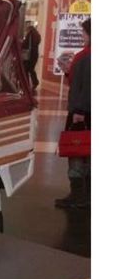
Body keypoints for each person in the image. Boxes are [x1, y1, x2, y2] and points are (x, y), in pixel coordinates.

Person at [55, 18, 91, 209]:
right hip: (86, 110)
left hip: (82, 112)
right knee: (88, 152)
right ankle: (87, 194)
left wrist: (79, 111)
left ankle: (78, 195)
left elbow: (86, 87)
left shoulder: (87, 56)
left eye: (84, 32)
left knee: (77, 151)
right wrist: (69, 71)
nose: (82, 35)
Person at [22, 22, 42, 93]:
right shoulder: (37, 35)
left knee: (25, 70)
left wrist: (21, 43)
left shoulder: (30, 34)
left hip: (29, 55)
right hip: (35, 55)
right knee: (31, 69)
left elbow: (25, 44)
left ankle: (27, 84)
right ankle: (35, 82)